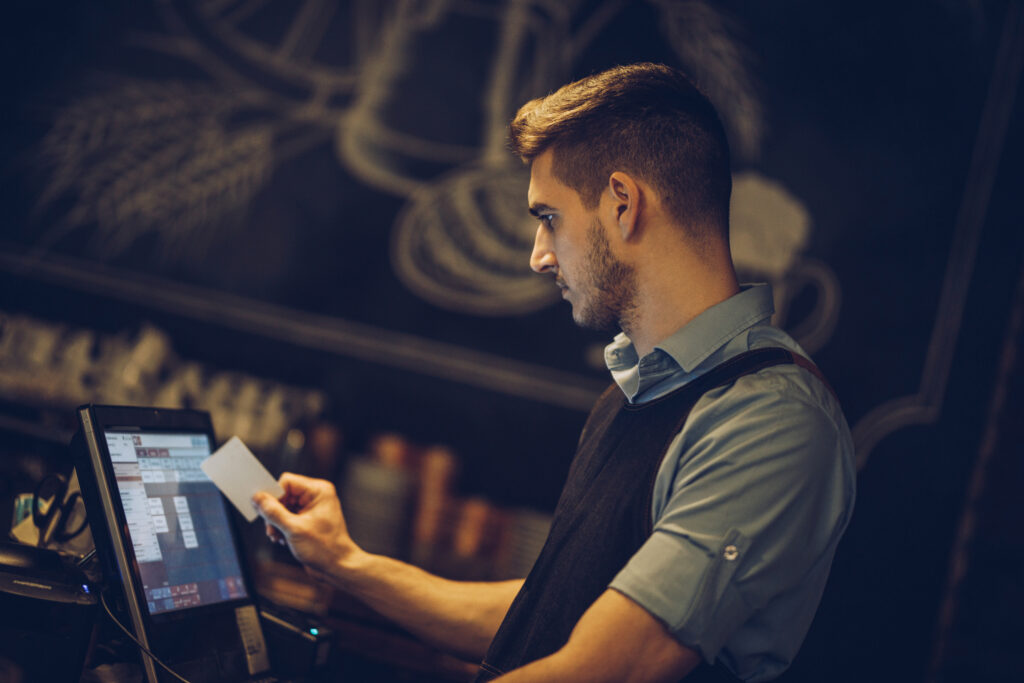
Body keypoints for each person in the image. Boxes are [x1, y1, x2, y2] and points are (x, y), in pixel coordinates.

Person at [252, 63, 856, 682]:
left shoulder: (772, 420)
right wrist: (344, 563)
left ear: (623, 204)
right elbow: (552, 616)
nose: (539, 256)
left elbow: (605, 668)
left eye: (549, 218)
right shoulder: (639, 393)